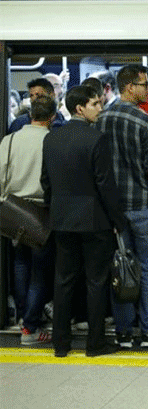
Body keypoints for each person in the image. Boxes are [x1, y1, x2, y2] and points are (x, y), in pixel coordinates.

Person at [42, 85, 126, 357]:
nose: (100, 109)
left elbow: (46, 183)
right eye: (95, 104)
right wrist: (118, 220)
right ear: (80, 108)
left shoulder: (51, 139)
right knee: (96, 282)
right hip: (94, 221)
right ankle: (95, 343)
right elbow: (106, 185)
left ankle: (60, 344)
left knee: (63, 281)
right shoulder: (96, 139)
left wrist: (56, 209)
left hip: (62, 219)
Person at [95, 64, 148, 349]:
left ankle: (124, 332)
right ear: (130, 87)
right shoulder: (144, 121)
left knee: (121, 268)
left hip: (112, 210)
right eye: (144, 85)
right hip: (144, 206)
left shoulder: (100, 119)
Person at [0, 97, 57, 346]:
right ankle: (30, 327)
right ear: (52, 117)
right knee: (40, 273)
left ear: (30, 114)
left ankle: (23, 316)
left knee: (20, 265)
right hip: (42, 211)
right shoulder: (51, 141)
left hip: (14, 210)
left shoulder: (9, 140)